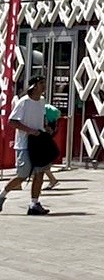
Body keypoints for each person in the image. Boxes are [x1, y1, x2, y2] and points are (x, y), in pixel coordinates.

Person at [2, 75, 53, 215]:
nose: (44, 86)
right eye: (41, 83)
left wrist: (45, 127)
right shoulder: (23, 102)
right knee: (22, 175)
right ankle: (2, 196)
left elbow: (40, 118)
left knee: (40, 173)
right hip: (24, 144)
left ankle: (34, 204)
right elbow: (12, 121)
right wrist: (30, 131)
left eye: (44, 83)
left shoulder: (42, 101)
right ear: (34, 86)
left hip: (39, 143)